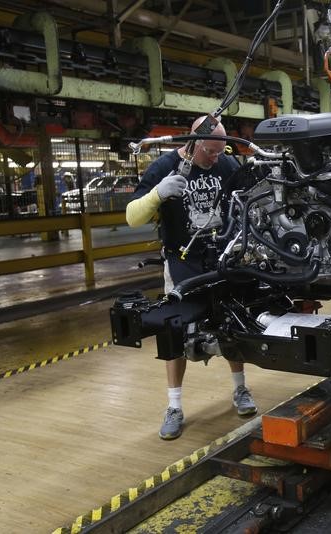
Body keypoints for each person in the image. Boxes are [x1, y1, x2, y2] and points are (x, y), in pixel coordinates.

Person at [126, 116, 257, 440]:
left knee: (232, 325)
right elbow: (132, 217)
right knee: (174, 333)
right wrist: (158, 194)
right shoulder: (165, 166)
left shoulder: (225, 164)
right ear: (195, 144)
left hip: (221, 258)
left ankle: (240, 390)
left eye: (220, 152)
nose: (216, 158)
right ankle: (174, 406)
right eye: (211, 152)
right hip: (181, 260)